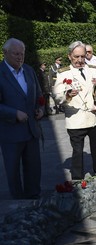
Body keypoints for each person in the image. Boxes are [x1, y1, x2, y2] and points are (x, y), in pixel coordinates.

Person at [53, 41, 96, 180]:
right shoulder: (63, 73)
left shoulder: (94, 70)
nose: (80, 60)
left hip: (95, 116)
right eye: (76, 57)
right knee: (77, 152)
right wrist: (66, 95)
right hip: (76, 118)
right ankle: (77, 180)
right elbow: (56, 96)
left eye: (82, 56)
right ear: (69, 56)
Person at [0, 38, 44, 199]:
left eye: (22, 54)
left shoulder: (29, 70)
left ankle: (33, 195)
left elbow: (39, 95)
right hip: (10, 131)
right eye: (16, 54)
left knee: (33, 166)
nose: (20, 57)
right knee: (12, 168)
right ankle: (18, 201)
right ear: (5, 53)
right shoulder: (1, 73)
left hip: (31, 129)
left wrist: (41, 109)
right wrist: (14, 113)